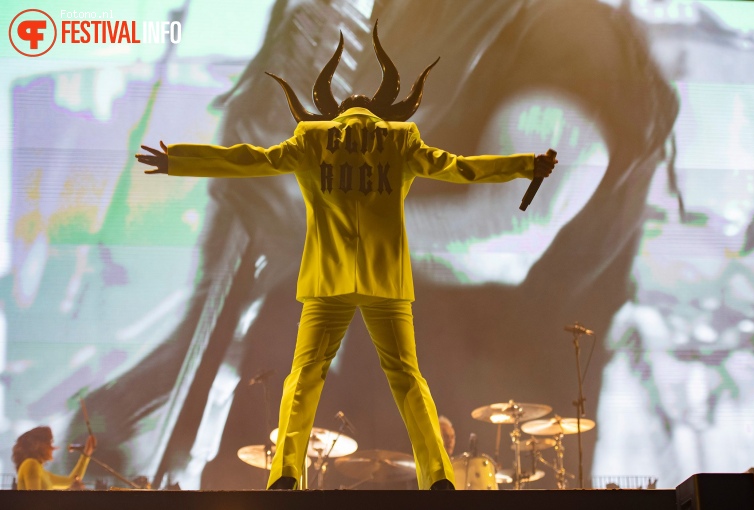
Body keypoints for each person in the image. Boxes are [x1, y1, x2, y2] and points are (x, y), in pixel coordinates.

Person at [136, 23, 556, 490]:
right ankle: (438, 476)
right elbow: (464, 170)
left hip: (329, 282)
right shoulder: (400, 142)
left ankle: (286, 474)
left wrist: (178, 160)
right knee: (407, 380)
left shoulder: (313, 140)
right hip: (384, 282)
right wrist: (525, 164)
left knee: (303, 380)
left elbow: (247, 159)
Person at [13, 426, 97, 490]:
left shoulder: (41, 471)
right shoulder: (31, 464)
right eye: (49, 442)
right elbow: (35, 501)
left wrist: (86, 454)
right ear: (38, 445)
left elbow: (71, 481)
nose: (53, 448)